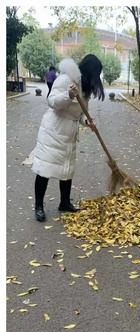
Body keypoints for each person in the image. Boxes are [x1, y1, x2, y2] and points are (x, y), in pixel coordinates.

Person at [32, 55, 105, 222]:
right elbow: (51, 102)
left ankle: (64, 203)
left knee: (67, 169)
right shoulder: (66, 80)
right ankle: (38, 206)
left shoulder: (85, 88)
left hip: (69, 133)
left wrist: (88, 121)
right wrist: (68, 95)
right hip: (53, 131)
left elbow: (79, 115)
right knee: (45, 168)